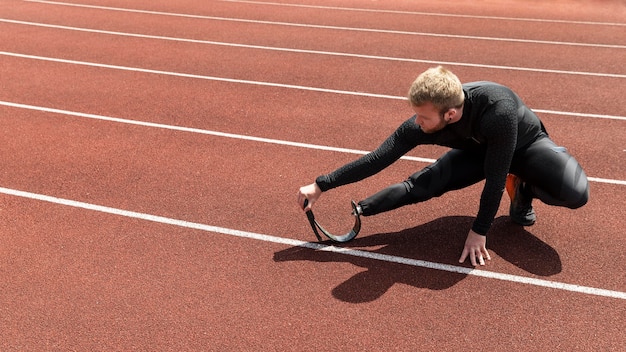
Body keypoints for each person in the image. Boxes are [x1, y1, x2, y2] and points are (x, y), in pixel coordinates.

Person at [297, 66, 589, 266]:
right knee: (424, 185)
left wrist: (479, 230)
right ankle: (365, 208)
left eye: (423, 118)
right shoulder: (423, 121)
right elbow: (377, 159)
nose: (416, 123)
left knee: (574, 193)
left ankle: (523, 187)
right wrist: (321, 184)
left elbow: (494, 179)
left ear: (450, 114)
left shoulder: (497, 110)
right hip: (478, 152)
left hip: (525, 147)